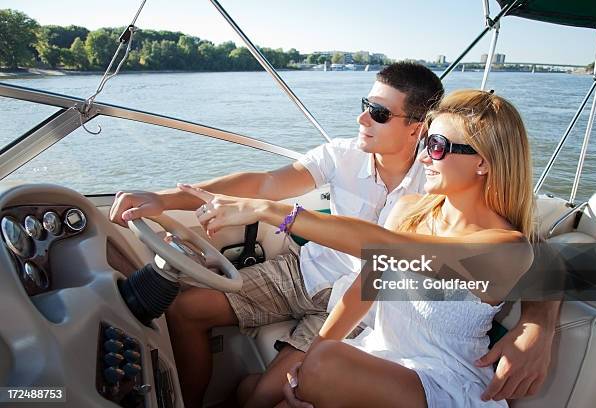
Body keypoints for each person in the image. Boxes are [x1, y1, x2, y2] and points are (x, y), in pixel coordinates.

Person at [109, 64, 557, 407]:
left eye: (436, 146)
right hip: (353, 320)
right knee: (281, 378)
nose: (427, 157)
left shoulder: (499, 242)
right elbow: (372, 278)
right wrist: (318, 350)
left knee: (280, 389)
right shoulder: (414, 208)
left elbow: (401, 250)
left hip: (443, 377)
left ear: (483, 160)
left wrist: (539, 323)